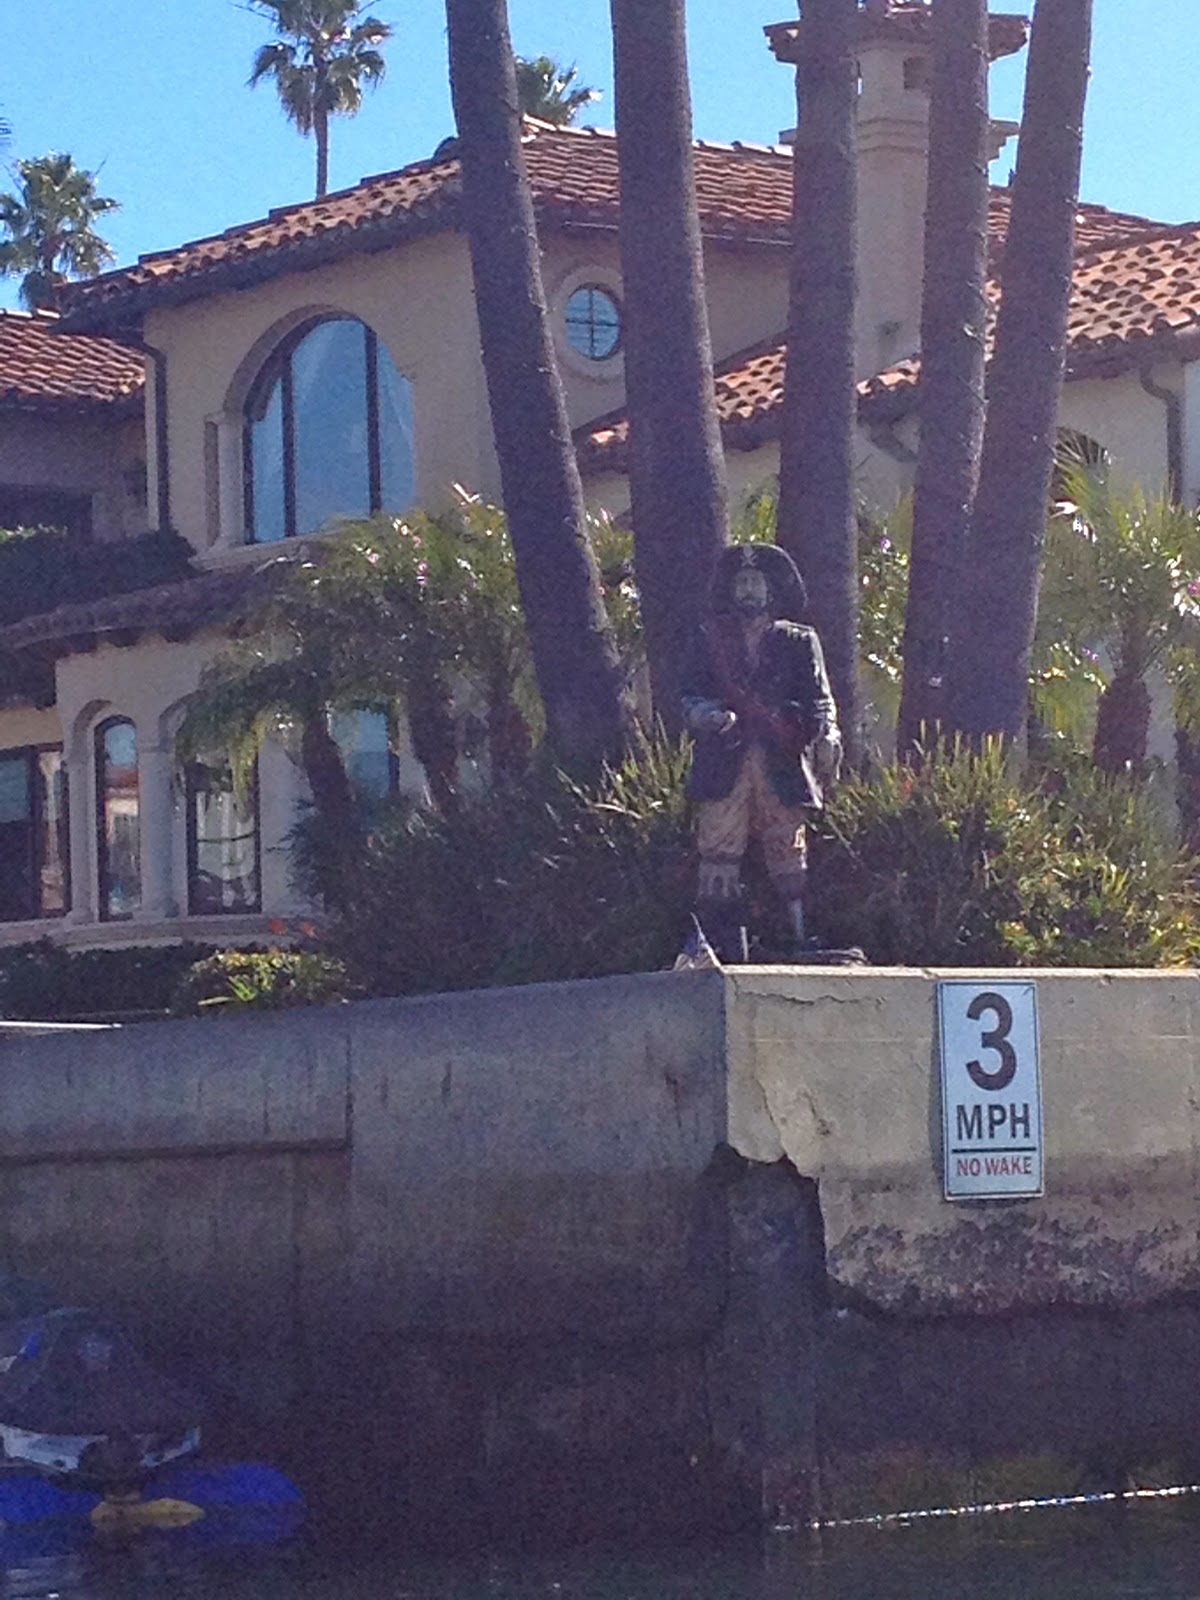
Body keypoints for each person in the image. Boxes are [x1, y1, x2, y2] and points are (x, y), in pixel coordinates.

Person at [681, 542, 841, 962]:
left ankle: (797, 935)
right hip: (725, 759)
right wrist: (707, 715)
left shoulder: (799, 641)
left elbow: (820, 699)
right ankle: (717, 940)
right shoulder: (709, 639)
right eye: (742, 583)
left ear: (771, 590)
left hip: (780, 758)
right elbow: (689, 696)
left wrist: (828, 735)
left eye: (756, 582)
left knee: (788, 847)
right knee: (718, 847)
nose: (749, 590)